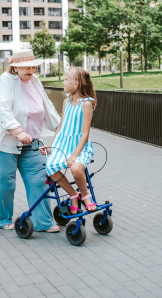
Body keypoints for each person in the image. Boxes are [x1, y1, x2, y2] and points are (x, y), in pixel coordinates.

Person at [0, 49, 61, 232]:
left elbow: (46, 107)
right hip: (4, 141)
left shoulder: (35, 81)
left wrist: (61, 128)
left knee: (39, 180)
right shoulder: (6, 80)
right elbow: (3, 109)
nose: (31, 70)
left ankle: (44, 222)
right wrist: (18, 131)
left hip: (31, 142)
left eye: (33, 66)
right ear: (15, 67)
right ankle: (1, 218)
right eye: (26, 67)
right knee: (5, 182)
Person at [41, 67, 97, 214]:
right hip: (62, 145)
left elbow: (85, 133)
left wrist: (74, 155)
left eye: (66, 79)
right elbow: (60, 127)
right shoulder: (66, 101)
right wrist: (52, 147)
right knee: (50, 166)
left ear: (76, 83)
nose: (63, 82)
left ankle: (85, 196)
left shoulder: (86, 104)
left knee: (76, 168)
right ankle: (73, 194)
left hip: (80, 147)